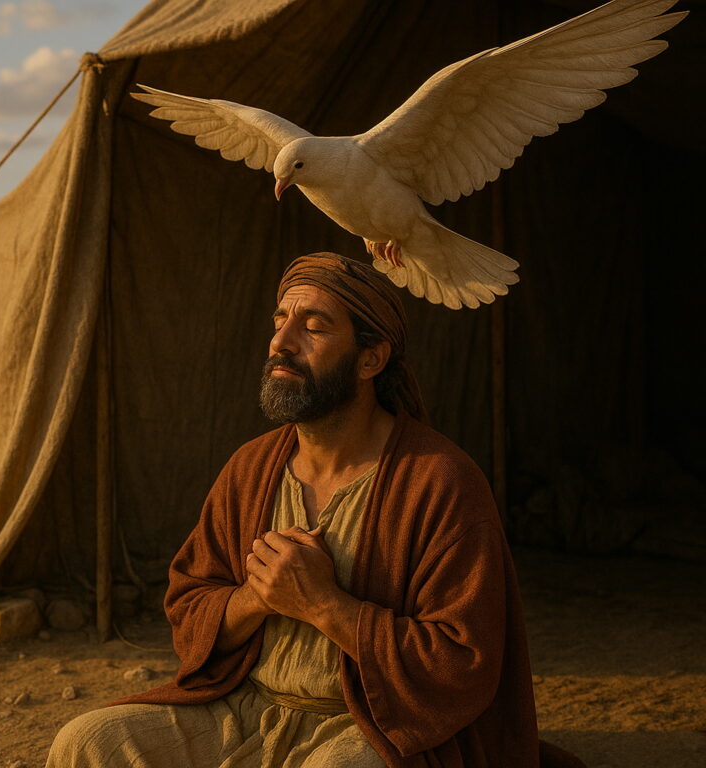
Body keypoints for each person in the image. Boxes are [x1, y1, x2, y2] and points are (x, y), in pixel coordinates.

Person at [46, 252, 542, 768]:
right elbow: (189, 611)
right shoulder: (251, 468)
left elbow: (462, 664)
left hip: (370, 723)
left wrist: (323, 604)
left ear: (370, 359)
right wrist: (257, 596)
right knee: (87, 741)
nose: (282, 342)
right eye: (281, 320)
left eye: (315, 327)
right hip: (245, 708)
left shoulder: (439, 480)